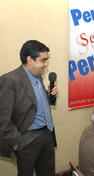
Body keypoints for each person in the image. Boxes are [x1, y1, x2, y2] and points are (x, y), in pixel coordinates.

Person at [0, 40, 58, 176]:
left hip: (47, 134)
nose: (46, 64)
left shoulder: (38, 76)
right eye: (43, 60)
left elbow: (33, 105)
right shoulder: (10, 80)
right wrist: (17, 143)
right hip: (27, 139)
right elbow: (2, 118)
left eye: (46, 60)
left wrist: (49, 96)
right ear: (29, 60)